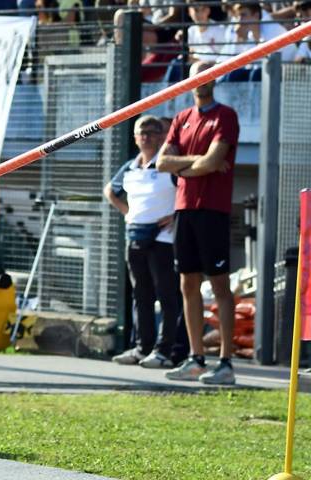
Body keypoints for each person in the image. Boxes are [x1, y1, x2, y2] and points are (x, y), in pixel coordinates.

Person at [157, 61, 239, 385]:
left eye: (207, 75)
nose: (201, 81)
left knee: (219, 285)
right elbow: (162, 162)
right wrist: (196, 164)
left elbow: (214, 161)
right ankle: (196, 358)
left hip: (213, 210)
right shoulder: (181, 119)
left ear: (214, 80)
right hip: (184, 209)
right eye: (196, 76)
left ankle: (226, 363)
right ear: (189, 82)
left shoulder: (226, 116)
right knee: (187, 284)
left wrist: (187, 166)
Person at [104, 115, 181, 368]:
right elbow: (109, 191)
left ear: (162, 136)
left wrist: (174, 215)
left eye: (152, 132)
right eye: (142, 132)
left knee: (167, 296)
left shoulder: (168, 165)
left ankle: (165, 350)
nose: (147, 136)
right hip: (135, 235)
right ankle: (142, 347)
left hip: (163, 239)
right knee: (141, 295)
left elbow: (186, 190)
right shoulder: (129, 167)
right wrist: (127, 212)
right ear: (135, 138)